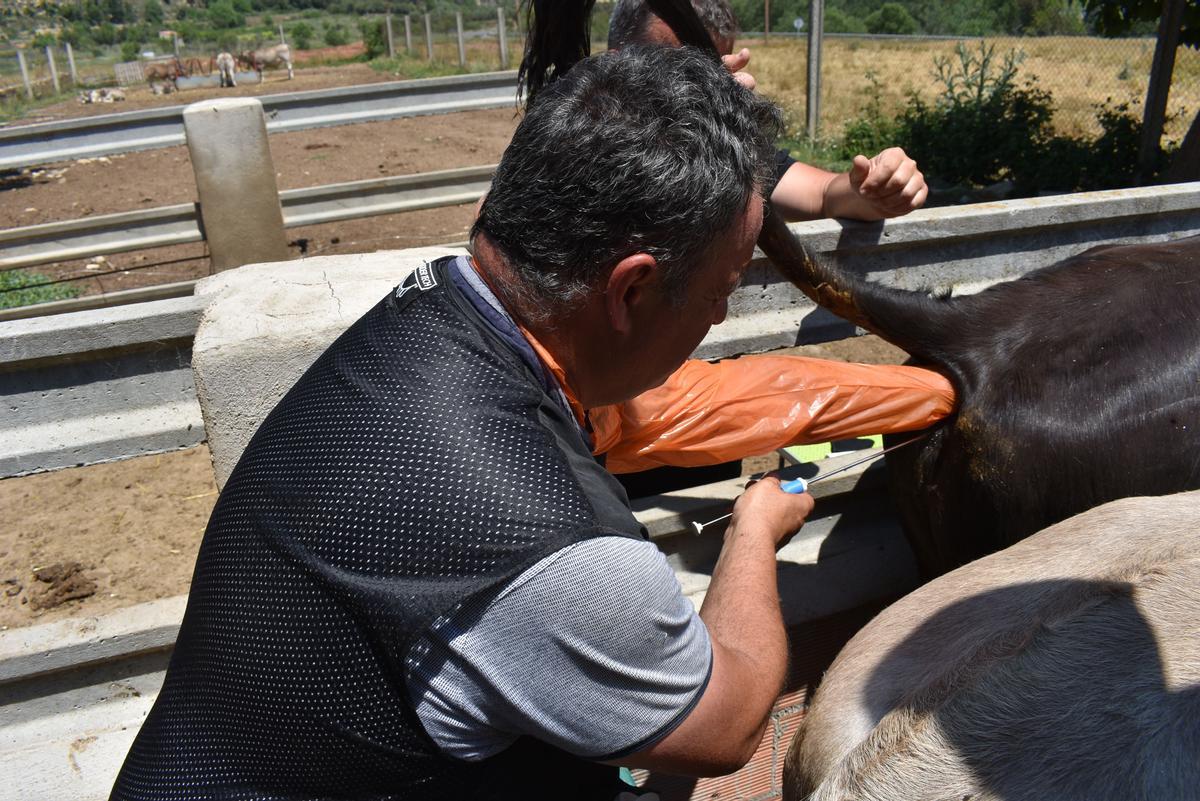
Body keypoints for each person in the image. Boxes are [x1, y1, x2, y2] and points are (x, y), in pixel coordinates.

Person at [109, 46, 820, 801]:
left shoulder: (420, 316)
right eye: (725, 289)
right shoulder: (547, 546)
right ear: (631, 290)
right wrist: (753, 531)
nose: (720, 317)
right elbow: (730, 722)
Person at [607, 0, 928, 222]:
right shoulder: (566, 132)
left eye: (708, 73)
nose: (692, 90)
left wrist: (875, 190)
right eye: (671, 67)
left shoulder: (719, 147)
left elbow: (823, 195)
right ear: (613, 57)